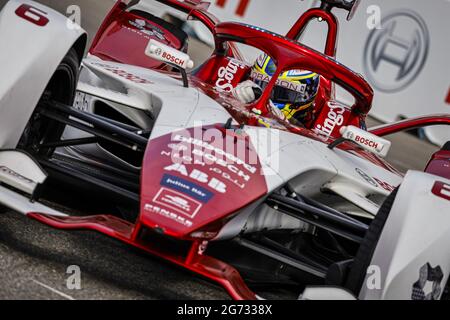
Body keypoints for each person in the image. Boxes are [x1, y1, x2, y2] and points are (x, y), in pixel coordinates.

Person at [232, 54, 320, 128]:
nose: (267, 98)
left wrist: (285, 124)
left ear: (304, 97)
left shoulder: (324, 123)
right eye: (262, 85)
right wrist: (231, 99)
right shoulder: (239, 80)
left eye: (282, 93)